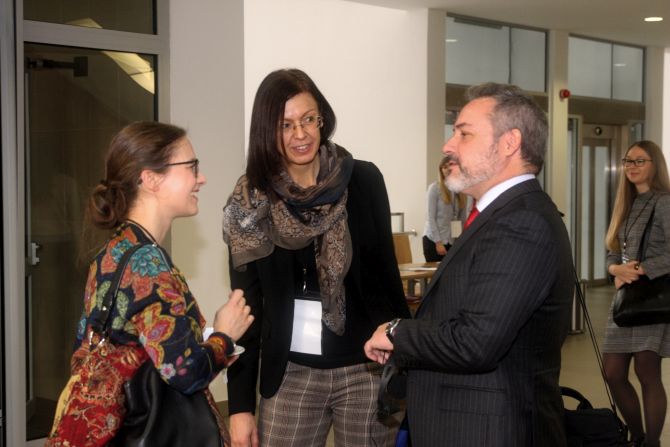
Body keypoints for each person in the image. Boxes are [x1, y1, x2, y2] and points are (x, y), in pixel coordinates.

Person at [364, 83, 574, 446]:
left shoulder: (521, 222)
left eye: (464, 134)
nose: (448, 145)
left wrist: (399, 332)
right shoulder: (502, 216)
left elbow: (476, 341)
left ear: (509, 143)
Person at [222, 68, 411, 447]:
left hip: (365, 368)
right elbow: (246, 310)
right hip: (290, 372)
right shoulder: (250, 202)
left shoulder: (364, 181)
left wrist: (407, 357)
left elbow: (387, 280)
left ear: (322, 119)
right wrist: (240, 406)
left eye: (309, 119)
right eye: (286, 125)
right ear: (267, 131)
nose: (301, 134)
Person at [50, 121, 254, 446]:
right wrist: (224, 336)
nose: (201, 178)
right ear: (151, 179)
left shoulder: (113, 251)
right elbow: (185, 373)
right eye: (191, 167)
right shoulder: (147, 265)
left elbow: (86, 349)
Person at [603, 140, 670, 447]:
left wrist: (640, 269)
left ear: (655, 165)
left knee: (646, 370)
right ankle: (638, 435)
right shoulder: (626, 204)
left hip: (653, 299)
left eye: (640, 161)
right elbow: (613, 251)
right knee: (613, 372)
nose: (631, 166)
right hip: (626, 300)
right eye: (628, 161)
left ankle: (650, 442)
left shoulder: (664, 202)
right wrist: (616, 269)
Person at [422, 156, 467, 262]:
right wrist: (438, 242)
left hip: (452, 241)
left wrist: (459, 242)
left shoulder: (461, 190)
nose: (447, 169)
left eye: (450, 165)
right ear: (441, 170)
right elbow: (431, 218)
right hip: (434, 240)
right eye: (444, 167)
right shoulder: (434, 188)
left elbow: (462, 219)